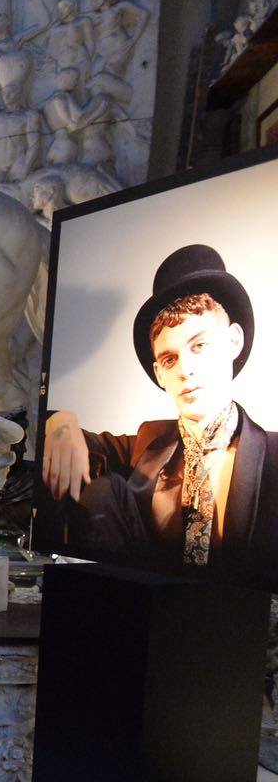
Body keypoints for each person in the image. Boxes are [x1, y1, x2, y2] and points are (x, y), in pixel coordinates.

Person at [42, 245, 278, 572]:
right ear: (159, 374)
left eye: (199, 345)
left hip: (238, 602)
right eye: (169, 359)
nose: (186, 370)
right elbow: (82, 443)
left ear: (233, 342)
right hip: (144, 599)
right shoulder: (146, 443)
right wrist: (60, 420)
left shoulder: (273, 455)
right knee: (101, 490)